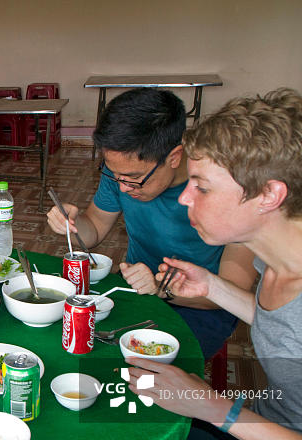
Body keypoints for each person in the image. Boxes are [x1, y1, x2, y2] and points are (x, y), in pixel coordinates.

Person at [124, 88, 302, 440]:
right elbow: (287, 329)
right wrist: (214, 288)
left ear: (268, 195)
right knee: (123, 430)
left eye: (201, 187)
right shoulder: (275, 260)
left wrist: (213, 406)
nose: (185, 198)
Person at [46, 88, 256, 359]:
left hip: (201, 308)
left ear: (175, 157)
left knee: (146, 368)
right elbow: (95, 228)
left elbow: (233, 290)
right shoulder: (123, 171)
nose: (122, 188)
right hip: (131, 289)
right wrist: (70, 224)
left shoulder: (229, 188)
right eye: (115, 175)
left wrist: (161, 289)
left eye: (133, 178)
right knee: (72, 342)